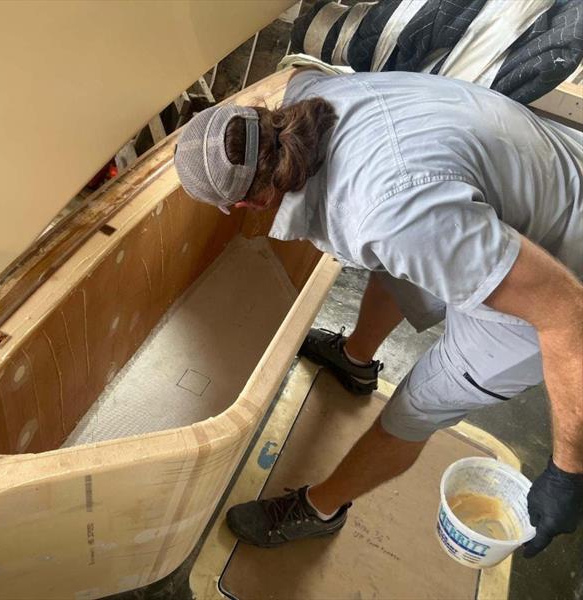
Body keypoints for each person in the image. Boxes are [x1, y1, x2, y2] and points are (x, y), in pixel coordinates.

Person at [173, 68, 583, 557]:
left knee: (418, 405)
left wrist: (567, 473)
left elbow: (565, 313)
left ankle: (320, 509)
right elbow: (397, 233)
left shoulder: (388, 213)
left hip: (565, 270)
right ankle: (355, 359)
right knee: (394, 261)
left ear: (245, 202)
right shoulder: (312, 94)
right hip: (552, 175)